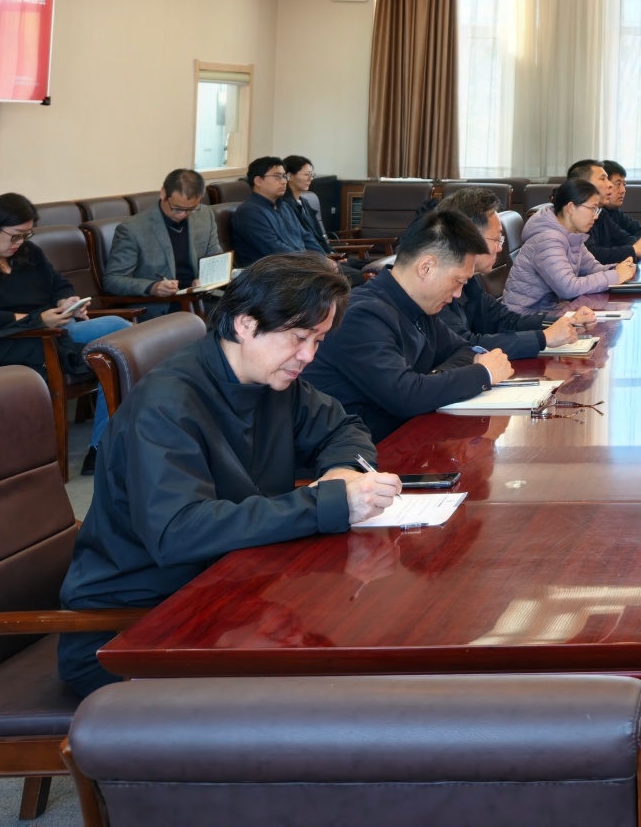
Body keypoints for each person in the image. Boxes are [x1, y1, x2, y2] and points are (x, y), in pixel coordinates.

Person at [56, 253, 399, 696]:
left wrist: (338, 475)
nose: (309, 356)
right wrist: (327, 502)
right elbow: (179, 532)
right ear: (245, 324)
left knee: (364, 644)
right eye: (299, 338)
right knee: (337, 691)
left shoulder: (270, 377)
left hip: (233, 596)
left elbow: (343, 427)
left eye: (318, 340)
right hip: (138, 628)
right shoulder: (166, 405)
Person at [0, 193, 134, 467]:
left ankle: (102, 447)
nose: (19, 243)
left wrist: (65, 302)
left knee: (121, 344)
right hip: (4, 340)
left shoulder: (29, 254)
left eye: (26, 235)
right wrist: (35, 319)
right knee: (113, 345)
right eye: (14, 235)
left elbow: (59, 284)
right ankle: (102, 452)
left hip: (54, 329)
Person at [304, 210, 513, 441]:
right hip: (359, 453)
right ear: (426, 267)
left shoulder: (418, 306)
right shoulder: (361, 315)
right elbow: (406, 397)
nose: (457, 293)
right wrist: (482, 373)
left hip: (402, 437)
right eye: (458, 281)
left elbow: (464, 349)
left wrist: (432, 378)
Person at [424, 187, 584, 360]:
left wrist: (561, 321)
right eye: (497, 239)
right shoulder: (433, 284)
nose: (500, 248)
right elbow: (467, 345)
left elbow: (501, 319)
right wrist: (543, 338)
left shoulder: (471, 280)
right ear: (469, 238)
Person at [504, 178, 636, 317]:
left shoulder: (572, 234)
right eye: (592, 209)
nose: (595, 217)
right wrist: (615, 276)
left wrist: (620, 268)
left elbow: (592, 268)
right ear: (571, 207)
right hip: (525, 318)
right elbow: (568, 288)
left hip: (550, 310)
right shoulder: (548, 239)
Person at [103, 167, 223, 307]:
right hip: (162, 304)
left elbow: (215, 259)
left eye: (191, 209)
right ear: (163, 193)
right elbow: (112, 280)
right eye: (177, 208)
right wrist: (152, 287)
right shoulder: (133, 229)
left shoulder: (205, 215)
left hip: (201, 298)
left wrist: (205, 279)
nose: (183, 214)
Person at [573, 159, 641, 263]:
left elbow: (625, 238)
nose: (609, 185)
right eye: (603, 179)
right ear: (584, 185)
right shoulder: (576, 214)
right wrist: (635, 249)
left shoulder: (601, 213)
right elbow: (592, 255)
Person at [230, 156, 308, 267]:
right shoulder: (249, 213)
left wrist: (324, 258)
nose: (284, 181)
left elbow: (305, 236)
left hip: (298, 266)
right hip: (269, 275)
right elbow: (275, 250)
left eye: (284, 176)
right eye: (277, 176)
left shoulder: (284, 206)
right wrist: (313, 262)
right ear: (258, 181)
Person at [278, 155, 335, 256]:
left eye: (311, 175)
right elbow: (302, 241)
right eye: (306, 175)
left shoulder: (304, 202)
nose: (310, 179)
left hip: (325, 256)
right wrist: (327, 257)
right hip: (312, 259)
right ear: (290, 176)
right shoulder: (285, 205)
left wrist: (332, 253)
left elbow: (318, 237)